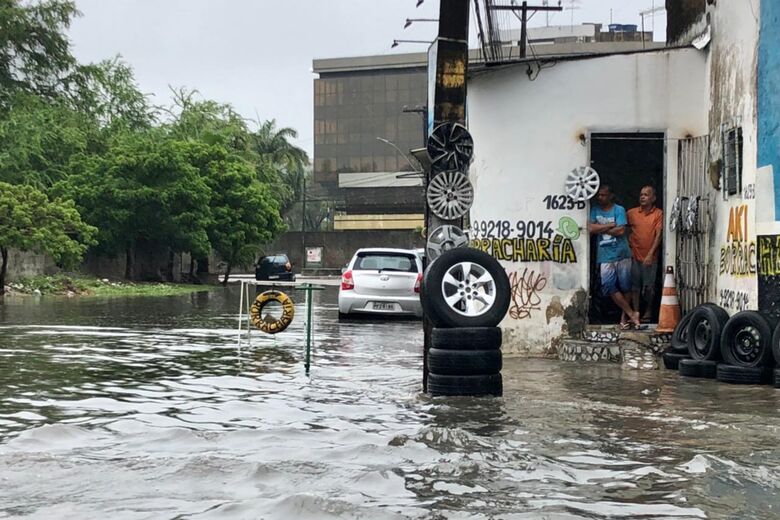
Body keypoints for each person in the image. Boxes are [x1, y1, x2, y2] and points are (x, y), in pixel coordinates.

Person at [589, 185, 639, 329]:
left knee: (625, 287)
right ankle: (631, 314)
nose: (600, 198)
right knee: (608, 286)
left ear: (611, 196)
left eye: (603, 195)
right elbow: (591, 228)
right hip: (604, 256)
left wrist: (601, 227)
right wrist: (611, 225)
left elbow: (621, 231)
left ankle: (624, 317)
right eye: (599, 195)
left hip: (622, 254)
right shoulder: (594, 210)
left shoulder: (619, 209)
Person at [627, 185, 664, 323]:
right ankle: (636, 311)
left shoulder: (658, 214)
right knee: (634, 287)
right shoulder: (631, 213)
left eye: (646, 194)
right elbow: (623, 230)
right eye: (641, 194)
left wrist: (650, 254)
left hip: (650, 257)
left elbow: (659, 235)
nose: (642, 197)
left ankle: (648, 311)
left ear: (653, 198)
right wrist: (628, 247)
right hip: (634, 255)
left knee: (649, 287)